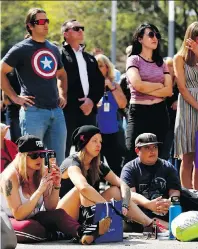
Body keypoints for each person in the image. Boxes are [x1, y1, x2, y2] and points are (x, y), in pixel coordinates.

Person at [57, 125, 167, 240]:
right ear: (83, 142)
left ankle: (148, 224)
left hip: (85, 213)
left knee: (115, 190)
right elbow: (83, 187)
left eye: (100, 141)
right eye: (94, 141)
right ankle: (90, 229)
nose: (99, 144)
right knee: (82, 190)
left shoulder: (97, 164)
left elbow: (122, 184)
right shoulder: (72, 162)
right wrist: (109, 208)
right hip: (64, 216)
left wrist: (124, 204)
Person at [0, 8, 68, 165]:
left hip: (56, 112)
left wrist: (62, 94)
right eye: (41, 22)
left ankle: (54, 191)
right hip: (33, 112)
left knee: (57, 163)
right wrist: (15, 97)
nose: (46, 25)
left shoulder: (53, 48)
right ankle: (32, 191)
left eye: (47, 21)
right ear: (30, 26)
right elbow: (1, 71)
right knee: (31, 162)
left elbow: (62, 74)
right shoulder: (21, 49)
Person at [0, 135, 95, 243]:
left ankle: (83, 232)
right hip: (7, 220)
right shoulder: (10, 177)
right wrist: (40, 190)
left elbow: (51, 207)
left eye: (42, 154)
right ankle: (57, 234)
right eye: (35, 155)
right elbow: (18, 214)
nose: (40, 159)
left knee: (59, 214)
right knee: (29, 226)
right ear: (22, 156)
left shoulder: (43, 171)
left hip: (33, 217)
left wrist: (56, 185)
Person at [173, 21, 198, 190]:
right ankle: (187, 195)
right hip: (189, 105)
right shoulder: (179, 58)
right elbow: (182, 88)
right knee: (187, 156)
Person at [124, 23, 172, 164]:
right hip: (138, 112)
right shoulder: (133, 59)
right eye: (150, 34)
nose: (155, 38)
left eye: (157, 35)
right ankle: (129, 186)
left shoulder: (161, 63)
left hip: (159, 112)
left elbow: (169, 90)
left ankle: (156, 185)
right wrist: (158, 86)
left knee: (159, 156)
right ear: (140, 38)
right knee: (131, 154)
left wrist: (147, 87)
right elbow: (137, 85)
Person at [60, 19, 104, 157]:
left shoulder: (89, 58)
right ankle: (62, 178)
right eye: (76, 28)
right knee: (63, 149)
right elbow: (57, 80)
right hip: (66, 111)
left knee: (90, 150)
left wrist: (91, 101)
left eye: (82, 28)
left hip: (89, 112)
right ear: (65, 34)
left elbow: (99, 82)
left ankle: (89, 179)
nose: (81, 31)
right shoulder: (59, 55)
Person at [121, 133, 181, 229]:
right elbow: (130, 194)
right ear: (137, 150)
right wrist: (148, 204)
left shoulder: (167, 166)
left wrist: (169, 202)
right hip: (141, 212)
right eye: (147, 148)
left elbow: (175, 191)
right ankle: (169, 227)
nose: (152, 151)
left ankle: (167, 226)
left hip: (164, 210)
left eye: (155, 147)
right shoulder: (129, 168)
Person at [95, 54, 127, 177]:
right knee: (94, 167)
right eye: (95, 66)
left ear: (107, 68)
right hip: (94, 132)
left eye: (100, 66)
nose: (97, 69)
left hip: (111, 131)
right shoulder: (89, 86)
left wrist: (111, 88)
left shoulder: (115, 86)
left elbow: (123, 104)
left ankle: (119, 193)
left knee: (116, 165)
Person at [161, 57, 179, 162]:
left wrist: (178, 101)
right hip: (162, 121)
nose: (169, 68)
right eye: (166, 66)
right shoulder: (159, 82)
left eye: (171, 66)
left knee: (173, 152)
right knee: (164, 152)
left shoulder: (179, 84)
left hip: (175, 122)